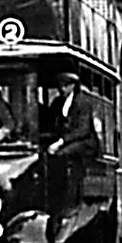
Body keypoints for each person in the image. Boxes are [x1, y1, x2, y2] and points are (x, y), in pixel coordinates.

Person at [43, 71, 100, 213]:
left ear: (73, 86)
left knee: (63, 155)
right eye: (60, 86)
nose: (62, 89)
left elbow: (82, 130)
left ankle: (68, 200)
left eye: (66, 86)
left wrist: (61, 142)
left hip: (85, 143)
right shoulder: (58, 103)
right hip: (66, 141)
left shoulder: (83, 102)